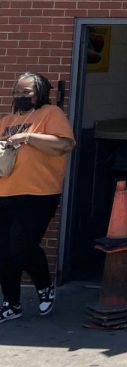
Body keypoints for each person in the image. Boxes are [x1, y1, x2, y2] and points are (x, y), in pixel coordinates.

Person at [0, 72, 75, 322]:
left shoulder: (51, 114)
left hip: (39, 193)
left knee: (21, 245)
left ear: (39, 93)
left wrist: (28, 137)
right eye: (18, 92)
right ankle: (11, 303)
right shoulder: (7, 120)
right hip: (5, 193)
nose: (21, 96)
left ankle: (44, 287)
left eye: (27, 92)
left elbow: (64, 144)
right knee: (4, 250)